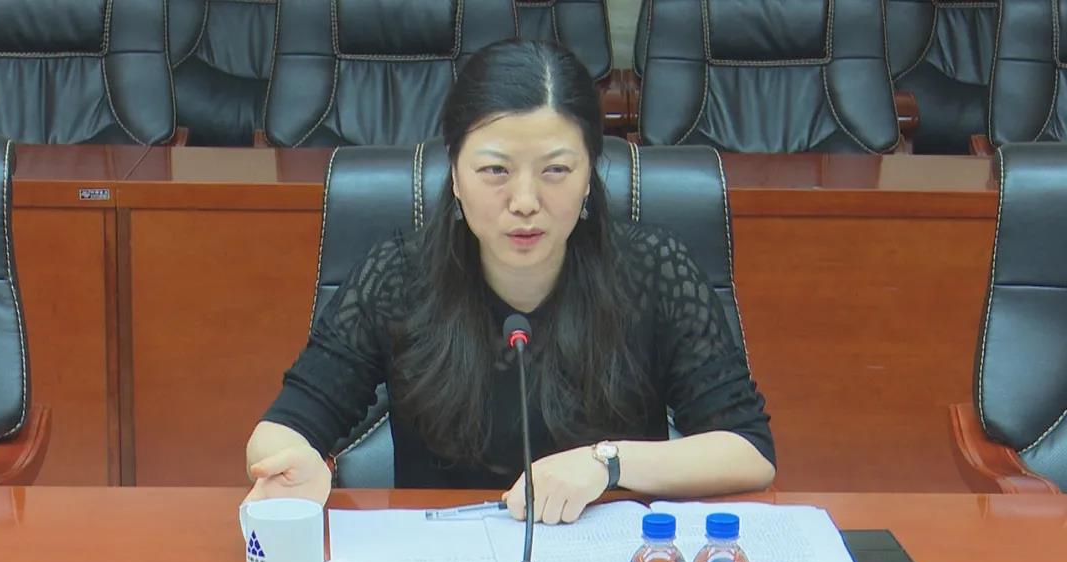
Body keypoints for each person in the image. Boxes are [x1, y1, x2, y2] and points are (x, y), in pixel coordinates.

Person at [244, 39, 775, 523]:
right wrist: (294, 463)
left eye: (556, 170)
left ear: (589, 176)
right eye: (495, 171)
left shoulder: (652, 271)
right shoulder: (399, 277)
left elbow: (749, 451)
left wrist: (607, 463)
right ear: (455, 175)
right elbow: (284, 426)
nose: (524, 201)